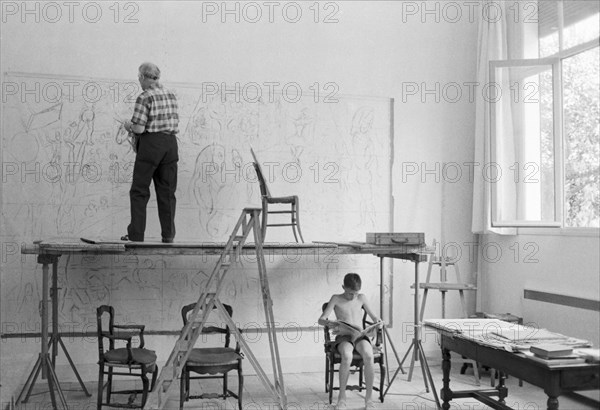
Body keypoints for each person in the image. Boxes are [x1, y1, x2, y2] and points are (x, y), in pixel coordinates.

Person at [121, 62, 179, 243]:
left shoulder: (145, 97)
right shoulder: (171, 95)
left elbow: (138, 129)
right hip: (170, 145)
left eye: (139, 77)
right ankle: (168, 235)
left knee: (139, 191)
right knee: (167, 192)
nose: (139, 81)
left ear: (145, 77)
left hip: (151, 145)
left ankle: (136, 235)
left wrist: (127, 125)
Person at [318, 273, 383, 409]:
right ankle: (342, 399)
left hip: (359, 335)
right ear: (343, 287)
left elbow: (374, 316)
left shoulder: (361, 298)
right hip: (344, 336)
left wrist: (378, 322)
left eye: (355, 293)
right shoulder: (336, 298)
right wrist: (330, 323)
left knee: (369, 355)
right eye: (349, 293)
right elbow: (321, 319)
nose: (352, 296)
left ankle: (369, 400)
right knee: (346, 356)